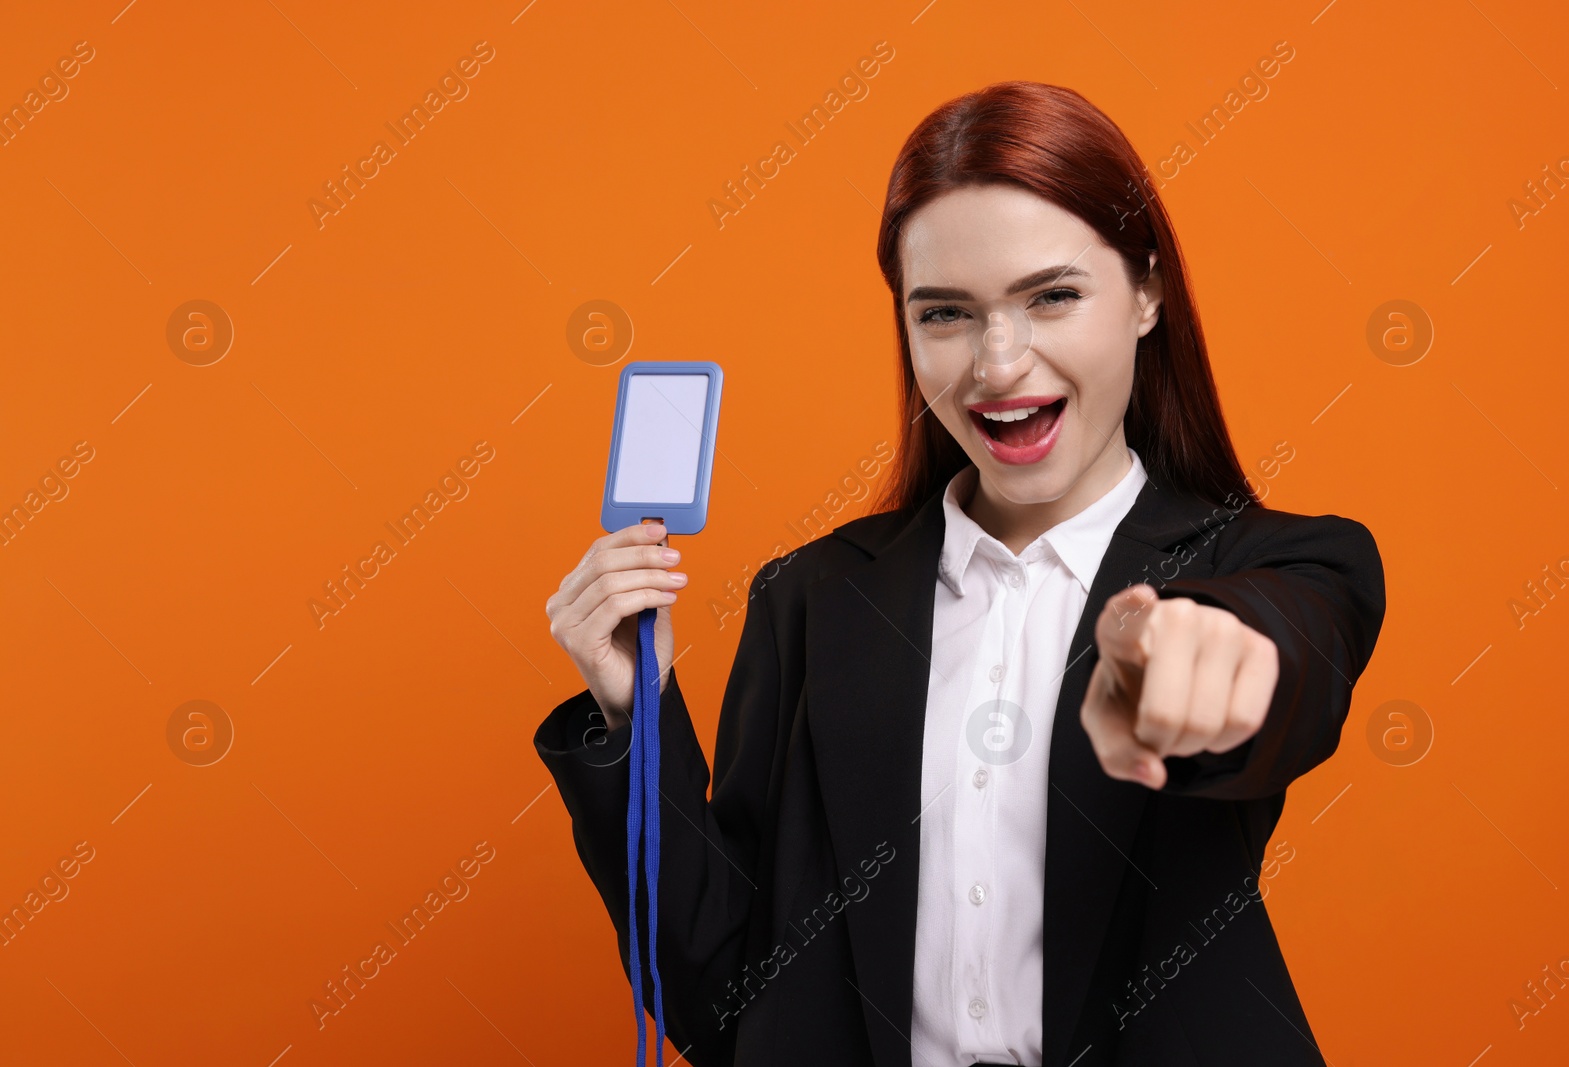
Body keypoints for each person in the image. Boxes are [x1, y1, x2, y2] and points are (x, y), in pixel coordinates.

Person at [538, 80, 1384, 1067]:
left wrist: (1205, 651)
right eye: (944, 313)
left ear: (1147, 294)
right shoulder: (809, 599)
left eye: (1053, 296)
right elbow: (726, 994)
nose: (997, 362)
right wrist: (634, 714)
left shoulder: (1278, 563)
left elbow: (1285, 645)